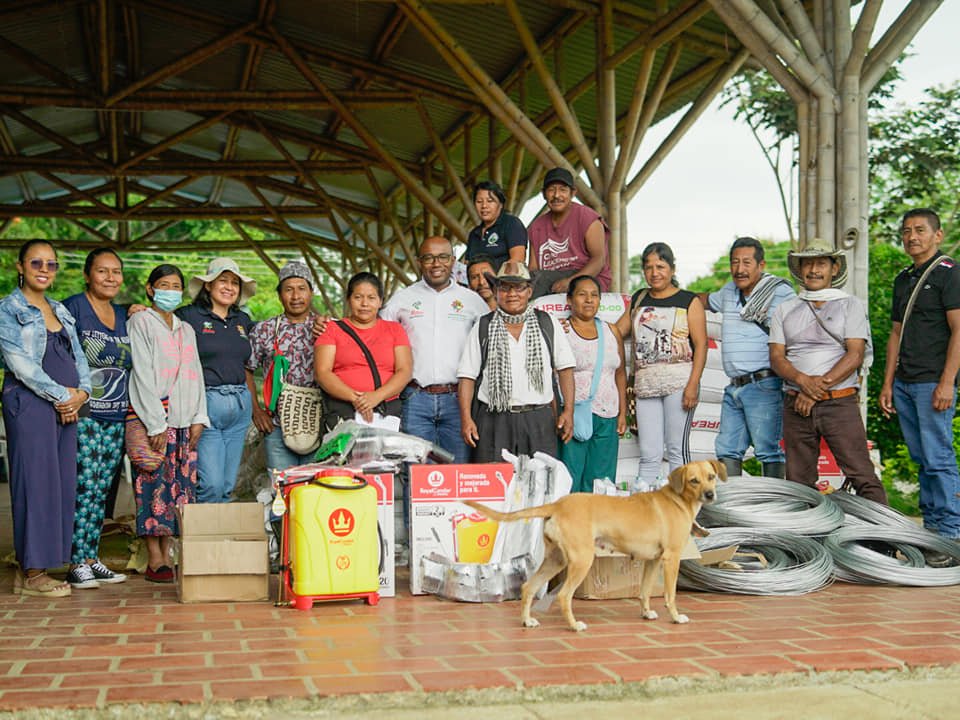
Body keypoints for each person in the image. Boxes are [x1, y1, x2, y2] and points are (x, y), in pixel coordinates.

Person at [0, 240, 91, 597]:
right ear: (20, 266)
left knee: (61, 483)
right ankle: (32, 573)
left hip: (67, 405)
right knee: (35, 484)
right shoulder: (8, 308)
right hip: (32, 403)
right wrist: (61, 396)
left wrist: (82, 393)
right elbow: (19, 363)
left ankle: (47, 563)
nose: (44, 269)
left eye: (51, 264)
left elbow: (80, 356)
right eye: (36, 262)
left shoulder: (60, 309)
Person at [769, 239, 886, 504]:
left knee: (862, 475)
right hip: (795, 404)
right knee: (799, 483)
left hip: (839, 403)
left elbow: (855, 354)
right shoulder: (785, 309)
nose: (813, 270)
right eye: (807, 263)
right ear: (800, 269)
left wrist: (813, 390)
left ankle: (888, 542)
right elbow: (776, 357)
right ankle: (807, 544)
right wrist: (802, 381)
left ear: (834, 269)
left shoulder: (850, 305)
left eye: (821, 263)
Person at [879, 208, 960, 565]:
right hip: (906, 383)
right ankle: (932, 529)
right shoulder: (903, 278)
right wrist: (887, 383)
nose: (912, 236)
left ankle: (950, 535)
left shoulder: (950, 273)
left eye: (920, 230)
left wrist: (947, 382)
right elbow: (896, 333)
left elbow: (959, 329)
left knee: (939, 458)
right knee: (922, 459)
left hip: (933, 382)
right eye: (907, 230)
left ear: (937, 235)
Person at [127, 264, 208, 582]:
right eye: (164, 285)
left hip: (186, 419)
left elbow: (196, 373)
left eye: (176, 286)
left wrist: (200, 416)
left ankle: (171, 552)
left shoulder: (185, 328)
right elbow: (142, 373)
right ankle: (155, 557)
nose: (170, 291)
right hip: (157, 418)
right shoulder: (141, 321)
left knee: (180, 489)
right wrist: (155, 423)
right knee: (152, 485)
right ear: (150, 289)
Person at [381, 237, 490, 463]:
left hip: (459, 400)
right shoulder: (402, 299)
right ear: (420, 261)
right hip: (415, 398)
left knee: (459, 471)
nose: (436, 263)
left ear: (452, 260)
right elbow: (375, 332)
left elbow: (489, 345)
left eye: (442, 257)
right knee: (416, 474)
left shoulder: (472, 301)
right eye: (428, 258)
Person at [61, 248, 131, 589]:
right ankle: (76, 561)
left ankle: (92, 557)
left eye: (116, 272)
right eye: (102, 271)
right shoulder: (72, 308)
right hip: (85, 413)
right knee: (84, 486)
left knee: (102, 489)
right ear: (88, 274)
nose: (110, 278)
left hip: (117, 414)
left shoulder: (123, 314)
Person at [457, 261, 576, 462]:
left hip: (539, 419)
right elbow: (467, 377)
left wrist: (569, 411)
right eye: (504, 287)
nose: (512, 294)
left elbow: (565, 370)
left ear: (529, 292)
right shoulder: (483, 326)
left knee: (540, 486)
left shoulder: (547, 323)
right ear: (496, 291)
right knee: (496, 485)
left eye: (519, 287)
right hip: (495, 420)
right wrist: (466, 418)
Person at [696, 237, 795, 479]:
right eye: (735, 262)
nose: (740, 269)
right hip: (735, 387)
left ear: (761, 265)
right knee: (727, 449)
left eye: (747, 262)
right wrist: (669, 295)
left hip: (765, 385)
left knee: (768, 451)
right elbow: (704, 301)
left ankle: (775, 509)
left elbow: (798, 331)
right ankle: (734, 509)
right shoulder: (729, 291)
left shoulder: (780, 292)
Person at [617, 243, 706, 488]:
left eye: (660, 266)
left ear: (672, 268)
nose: (654, 273)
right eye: (648, 267)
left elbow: (701, 345)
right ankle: (642, 512)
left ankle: (684, 510)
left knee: (676, 451)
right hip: (645, 387)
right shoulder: (639, 299)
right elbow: (618, 330)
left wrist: (692, 385)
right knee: (649, 453)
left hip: (679, 383)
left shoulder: (688, 301)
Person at [178, 257, 257, 503]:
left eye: (235, 283)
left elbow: (251, 362)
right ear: (208, 286)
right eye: (222, 280)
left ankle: (215, 538)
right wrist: (134, 309)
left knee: (226, 485)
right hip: (207, 403)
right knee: (210, 484)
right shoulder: (188, 315)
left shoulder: (242, 321)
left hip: (240, 403)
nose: (229, 287)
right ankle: (198, 539)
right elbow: (157, 324)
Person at [247, 261, 322, 473]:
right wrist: (256, 411)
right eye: (288, 290)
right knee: (280, 492)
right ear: (280, 295)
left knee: (314, 492)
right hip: (277, 425)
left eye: (301, 289)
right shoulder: (264, 330)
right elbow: (247, 369)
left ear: (311, 293)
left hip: (318, 422)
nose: (296, 296)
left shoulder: (326, 328)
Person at [315, 272, 413, 428]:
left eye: (371, 298)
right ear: (348, 300)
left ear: (380, 301)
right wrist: (356, 399)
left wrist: (376, 397)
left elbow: (404, 370)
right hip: (343, 410)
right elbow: (322, 372)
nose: (364, 304)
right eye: (358, 297)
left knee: (385, 452)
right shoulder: (331, 329)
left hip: (385, 412)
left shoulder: (395, 330)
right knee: (345, 452)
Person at [559, 275, 627, 492]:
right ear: (569, 300)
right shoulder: (561, 331)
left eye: (594, 295)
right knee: (570, 478)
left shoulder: (611, 330)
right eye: (582, 294)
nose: (589, 300)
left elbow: (620, 373)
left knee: (602, 481)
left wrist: (623, 413)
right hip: (574, 415)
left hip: (607, 415)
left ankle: (597, 525)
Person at [527, 167, 611, 296]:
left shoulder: (588, 217)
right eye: (551, 190)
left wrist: (571, 281)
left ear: (573, 193)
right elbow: (533, 269)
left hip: (587, 276)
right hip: (550, 282)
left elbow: (598, 260)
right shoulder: (536, 226)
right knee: (526, 283)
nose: (556, 195)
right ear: (543, 194)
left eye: (563, 190)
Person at [464, 180, 527, 270]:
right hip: (479, 283)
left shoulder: (511, 223)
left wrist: (495, 280)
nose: (484, 205)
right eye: (479, 201)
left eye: (490, 201)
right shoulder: (474, 234)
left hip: (506, 282)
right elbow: (468, 265)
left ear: (501, 204)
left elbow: (517, 261)